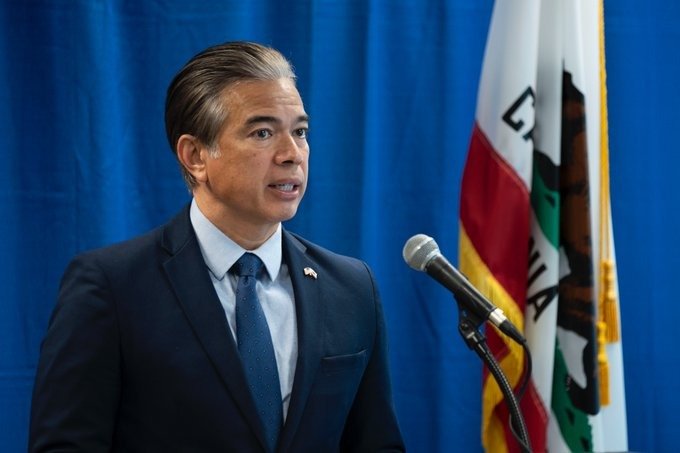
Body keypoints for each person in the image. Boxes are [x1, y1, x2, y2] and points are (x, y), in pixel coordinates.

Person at [29, 41, 405, 452]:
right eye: (263, 133)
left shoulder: (351, 287)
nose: (292, 154)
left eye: (299, 131)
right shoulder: (111, 287)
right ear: (195, 156)